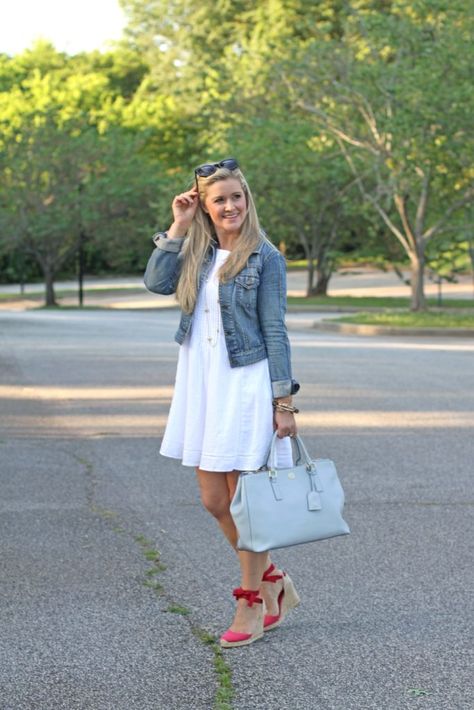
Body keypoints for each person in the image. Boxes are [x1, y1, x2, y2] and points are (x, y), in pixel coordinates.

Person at [144, 158, 300, 648]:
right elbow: (156, 282)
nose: (230, 205)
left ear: (247, 199)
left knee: (245, 502)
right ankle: (273, 579)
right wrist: (178, 224)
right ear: (206, 207)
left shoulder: (265, 257)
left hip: (247, 383)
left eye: (236, 196)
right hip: (202, 382)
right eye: (219, 199)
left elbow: (276, 331)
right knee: (215, 500)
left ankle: (250, 601)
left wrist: (284, 403)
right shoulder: (198, 251)